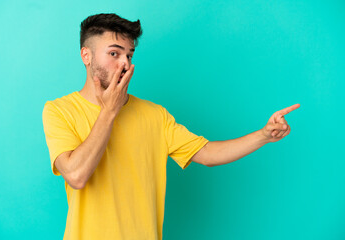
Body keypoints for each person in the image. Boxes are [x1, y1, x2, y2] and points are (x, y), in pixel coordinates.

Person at [42, 13, 300, 240]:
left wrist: (264, 135)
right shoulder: (59, 111)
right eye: (114, 53)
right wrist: (110, 111)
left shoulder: (154, 115)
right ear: (86, 55)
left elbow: (208, 154)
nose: (125, 64)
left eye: (129, 55)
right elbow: (76, 175)